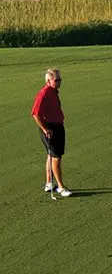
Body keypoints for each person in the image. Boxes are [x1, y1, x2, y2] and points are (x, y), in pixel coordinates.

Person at [32, 68, 71, 197]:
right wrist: (45, 129)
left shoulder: (53, 92)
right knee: (56, 158)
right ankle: (60, 187)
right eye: (57, 80)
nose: (60, 82)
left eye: (60, 79)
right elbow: (35, 114)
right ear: (48, 81)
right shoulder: (44, 93)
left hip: (57, 127)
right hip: (50, 129)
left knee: (51, 155)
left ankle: (49, 183)